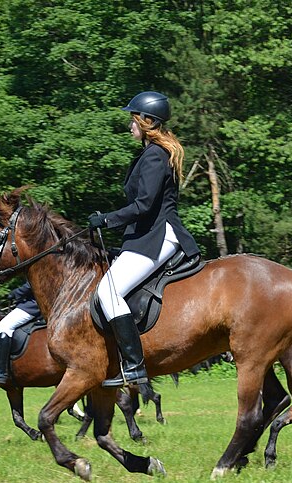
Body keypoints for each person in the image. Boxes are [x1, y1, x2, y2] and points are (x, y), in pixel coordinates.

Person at [88, 91, 199, 388]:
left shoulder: (154, 155)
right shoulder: (151, 152)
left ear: (148, 121)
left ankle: (135, 368)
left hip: (158, 235)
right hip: (147, 234)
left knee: (108, 293)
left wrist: (107, 219)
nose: (130, 125)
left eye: (133, 119)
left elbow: (144, 206)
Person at [0, 281, 43, 384]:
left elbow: (32, 283)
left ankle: (0, 372)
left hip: (33, 305)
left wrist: (17, 293)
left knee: (3, 327)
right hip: (36, 303)